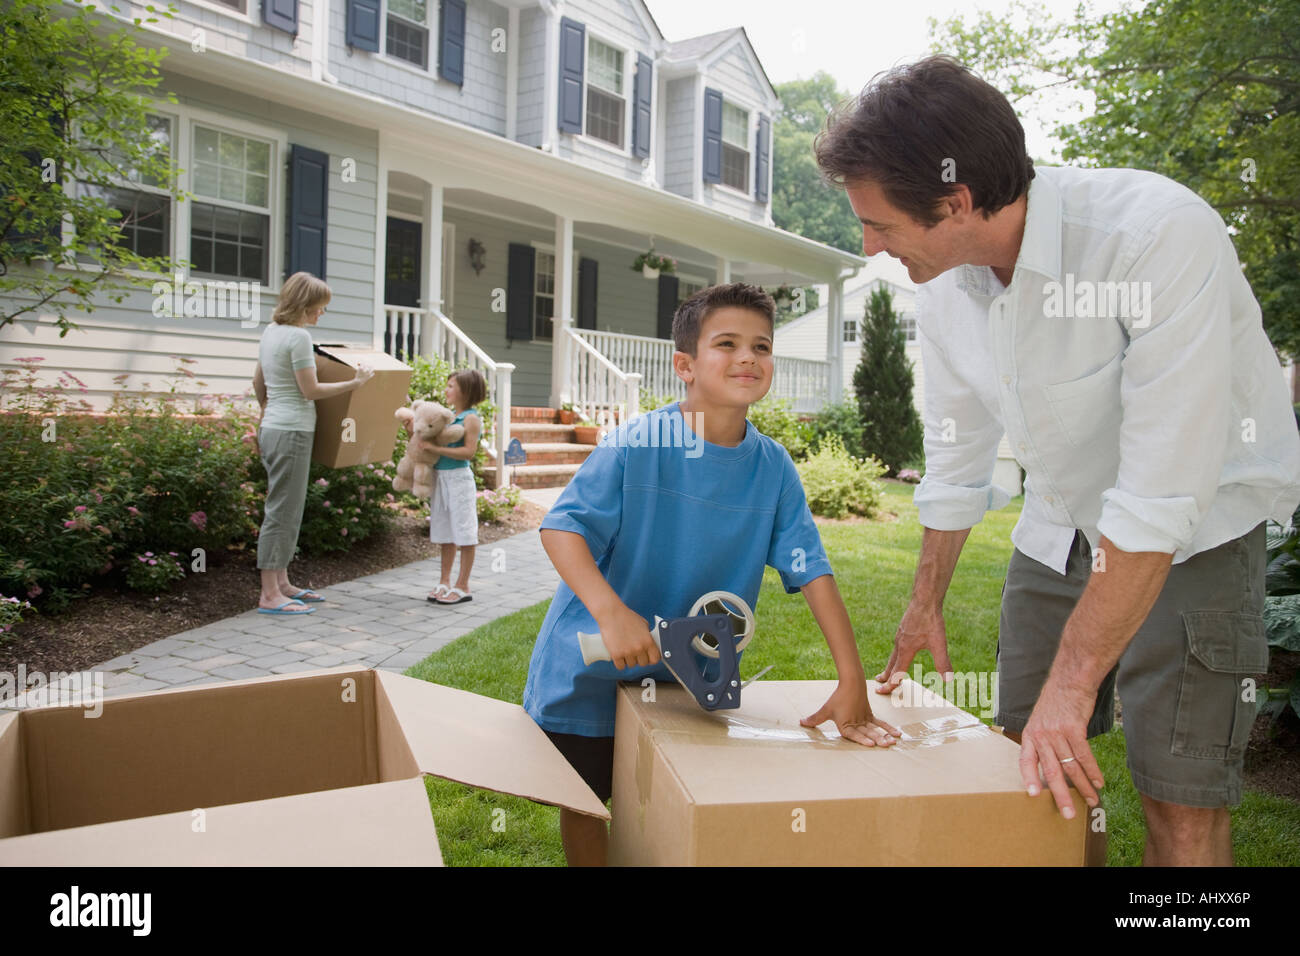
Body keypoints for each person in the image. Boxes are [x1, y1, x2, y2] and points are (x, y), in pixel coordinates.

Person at [813, 55, 1300, 865]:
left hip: (1194, 531)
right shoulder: (942, 285)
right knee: (1028, 776)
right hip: (1058, 525)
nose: (869, 245)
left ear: (956, 200)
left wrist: (1073, 689)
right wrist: (925, 599)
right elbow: (958, 453)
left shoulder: (1152, 236)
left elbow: (1160, 492)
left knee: (1180, 806)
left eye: (880, 224)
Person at [522, 282, 900, 867]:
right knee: (590, 808)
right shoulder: (638, 443)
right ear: (686, 364)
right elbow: (562, 528)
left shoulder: (773, 468)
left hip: (690, 680)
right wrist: (611, 612)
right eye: (727, 343)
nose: (748, 357)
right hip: (593, 669)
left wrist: (852, 679)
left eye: (762, 346)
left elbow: (812, 571)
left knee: (668, 810)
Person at [251, 272, 373, 615]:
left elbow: (258, 381)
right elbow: (311, 391)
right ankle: (269, 594)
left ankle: (282, 582)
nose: (321, 314)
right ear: (304, 304)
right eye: (320, 308)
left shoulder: (271, 332)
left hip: (276, 427)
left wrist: (266, 416)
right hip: (291, 431)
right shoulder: (299, 337)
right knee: (281, 511)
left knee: (287, 509)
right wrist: (355, 382)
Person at [426, 369, 486, 605]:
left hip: (458, 479)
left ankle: (463, 585)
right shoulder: (448, 416)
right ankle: (444, 581)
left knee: (464, 531)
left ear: (465, 390)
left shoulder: (470, 418)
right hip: (441, 478)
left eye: (451, 386)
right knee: (445, 532)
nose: (446, 390)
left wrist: (436, 450)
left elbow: (468, 452)